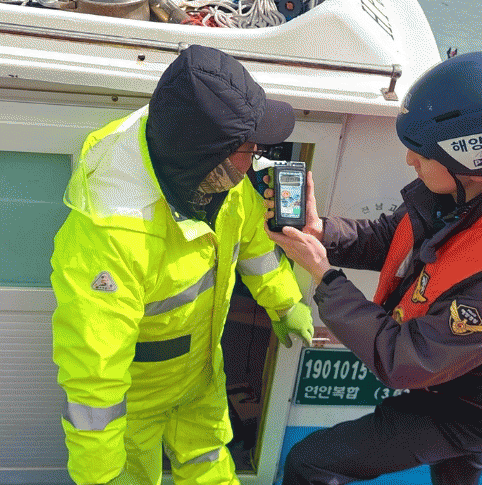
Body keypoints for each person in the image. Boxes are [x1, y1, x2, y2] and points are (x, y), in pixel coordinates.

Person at [263, 51, 482, 485]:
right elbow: (392, 237)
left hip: (470, 410)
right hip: (458, 375)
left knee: (311, 462)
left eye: (421, 154)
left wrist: (326, 277)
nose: (409, 161)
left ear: (476, 164)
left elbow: (403, 360)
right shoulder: (475, 186)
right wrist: (322, 231)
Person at [50, 44, 314, 485]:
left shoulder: (222, 181)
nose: (258, 155)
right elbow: (93, 376)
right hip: (136, 400)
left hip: (201, 375)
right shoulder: (110, 235)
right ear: (209, 158)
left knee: (211, 464)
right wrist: (100, 475)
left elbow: (255, 247)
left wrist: (285, 302)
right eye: (249, 147)